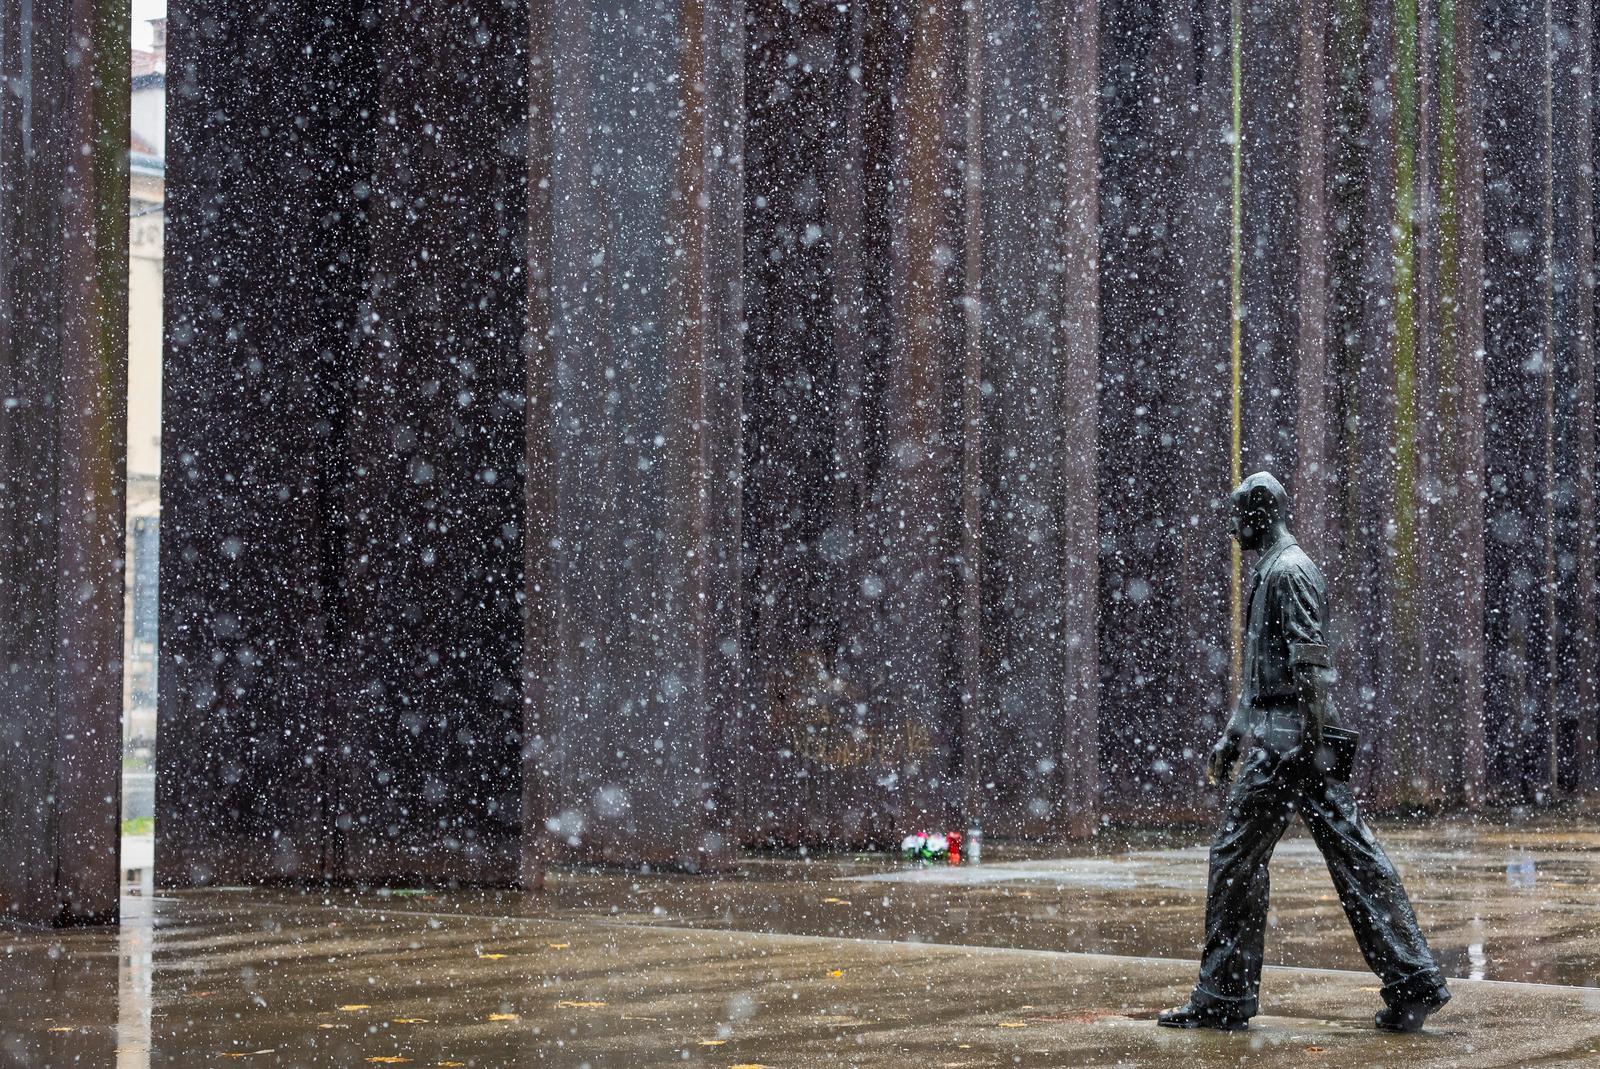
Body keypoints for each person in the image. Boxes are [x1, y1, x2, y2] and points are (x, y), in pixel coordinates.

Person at [1158, 471, 1451, 1033]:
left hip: (1290, 743)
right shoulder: (1272, 569)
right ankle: (1413, 982)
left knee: (1239, 859)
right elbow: (1259, 673)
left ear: (1260, 511)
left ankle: (1224, 996)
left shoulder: (1289, 571)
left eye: (1237, 514)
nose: (1232, 527)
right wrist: (1234, 734)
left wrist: (1310, 746)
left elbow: (1309, 663)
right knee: (1350, 855)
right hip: (1288, 739)